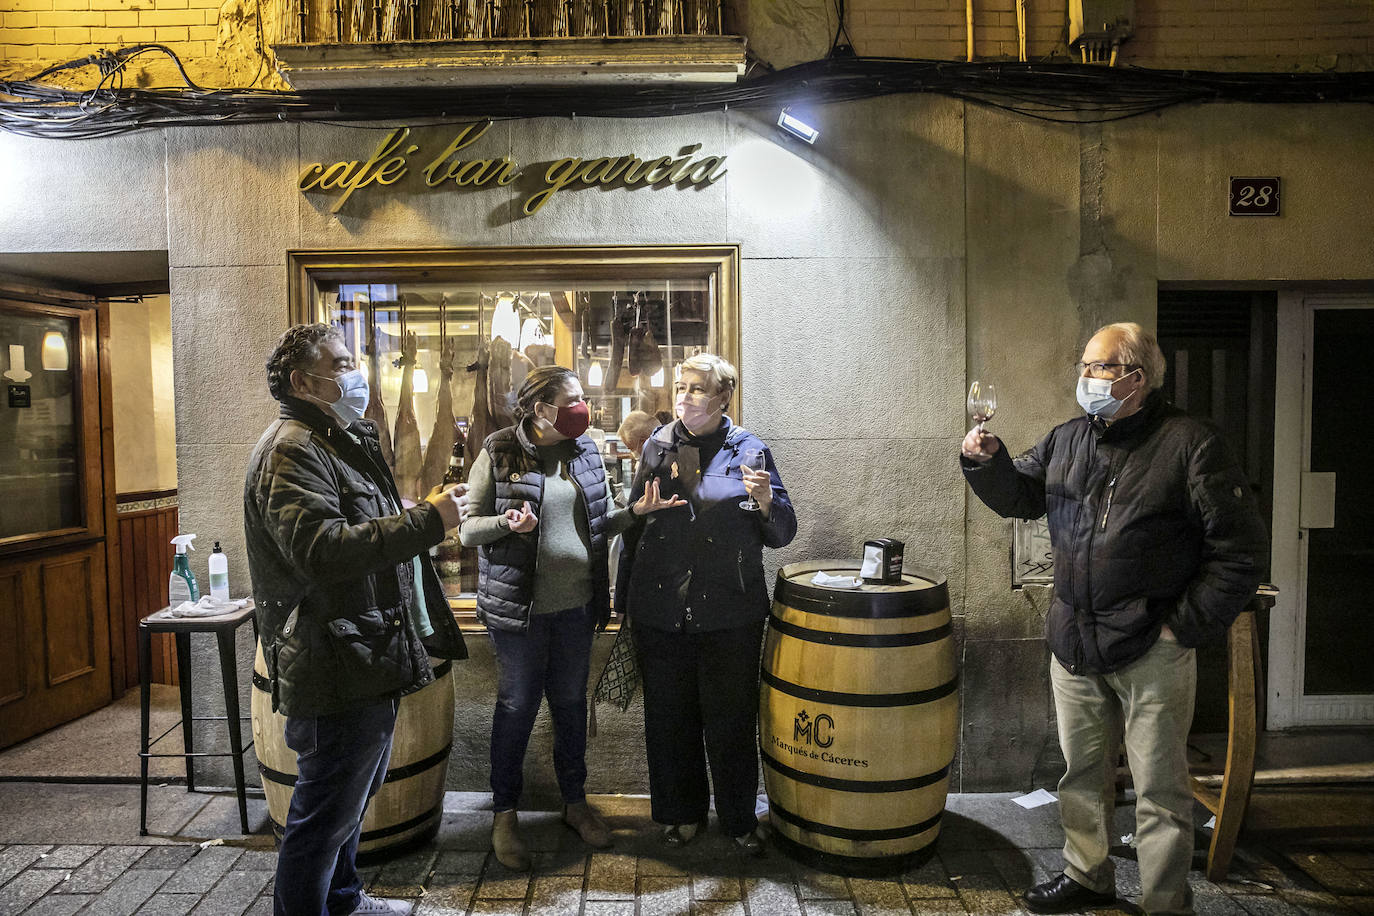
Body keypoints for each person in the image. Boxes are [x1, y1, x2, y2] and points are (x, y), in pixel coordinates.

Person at [960, 322, 1267, 916]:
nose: (1084, 377)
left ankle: (1164, 902)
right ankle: (1086, 874)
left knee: (1160, 791)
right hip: (1075, 639)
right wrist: (987, 462)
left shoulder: (1192, 444)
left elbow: (1240, 552)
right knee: (1081, 773)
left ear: (1136, 377)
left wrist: (1182, 627)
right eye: (1083, 366)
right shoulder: (1069, 438)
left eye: (1096, 366)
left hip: (1152, 644)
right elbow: (1021, 495)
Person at [244, 323, 470, 916]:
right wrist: (429, 521)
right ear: (302, 381)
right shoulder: (292, 447)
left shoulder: (335, 438)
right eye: (341, 364)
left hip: (360, 647)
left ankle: (342, 900)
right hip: (331, 654)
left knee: (350, 794)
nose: (356, 374)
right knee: (323, 811)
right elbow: (320, 549)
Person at [460, 366, 682, 870]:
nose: (585, 406)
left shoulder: (585, 451)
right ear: (542, 409)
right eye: (574, 398)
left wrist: (637, 513)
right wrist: (506, 522)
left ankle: (575, 804)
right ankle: (504, 813)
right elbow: (468, 531)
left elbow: (602, 522)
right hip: (520, 613)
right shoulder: (499, 450)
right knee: (516, 708)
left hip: (578, 609)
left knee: (569, 705)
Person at [618, 352, 797, 855]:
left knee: (731, 720)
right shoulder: (657, 445)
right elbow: (635, 527)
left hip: (729, 612)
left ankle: (739, 817)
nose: (685, 396)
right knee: (670, 719)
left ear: (723, 397)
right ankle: (682, 814)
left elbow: (783, 531)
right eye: (681, 386)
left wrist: (765, 502)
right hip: (660, 609)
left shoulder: (750, 450)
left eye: (697, 388)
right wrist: (623, 602)